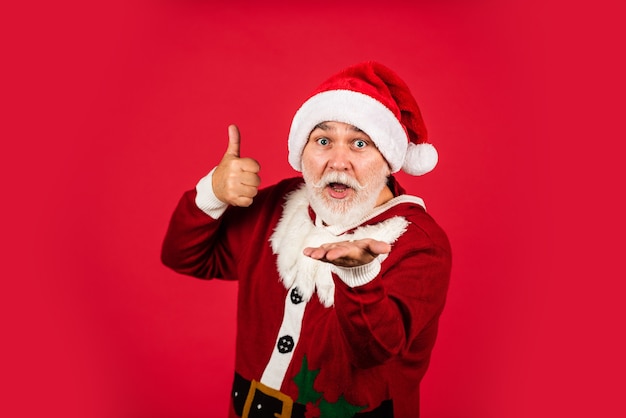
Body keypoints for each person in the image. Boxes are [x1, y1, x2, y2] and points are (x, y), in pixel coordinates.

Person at [161, 61, 452, 418]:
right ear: (302, 152)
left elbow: (374, 351)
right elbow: (186, 257)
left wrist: (359, 277)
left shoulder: (420, 242)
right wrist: (212, 193)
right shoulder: (280, 205)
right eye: (323, 140)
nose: (338, 161)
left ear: (389, 160)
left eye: (360, 143)